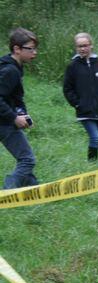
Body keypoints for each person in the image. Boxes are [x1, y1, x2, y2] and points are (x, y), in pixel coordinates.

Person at [62, 32, 98, 165]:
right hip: (84, 111)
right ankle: (91, 168)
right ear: (76, 48)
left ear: (91, 46)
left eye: (85, 45)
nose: (82, 49)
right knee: (95, 138)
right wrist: (77, 104)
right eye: (79, 46)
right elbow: (67, 88)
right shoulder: (72, 66)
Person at [0, 28, 38, 190]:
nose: (34, 53)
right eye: (30, 49)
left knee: (24, 157)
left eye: (35, 49)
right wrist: (14, 118)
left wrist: (23, 114)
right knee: (27, 160)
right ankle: (7, 194)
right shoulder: (10, 70)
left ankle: (36, 191)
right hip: (4, 122)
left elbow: (15, 98)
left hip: (6, 119)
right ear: (17, 49)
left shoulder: (14, 66)